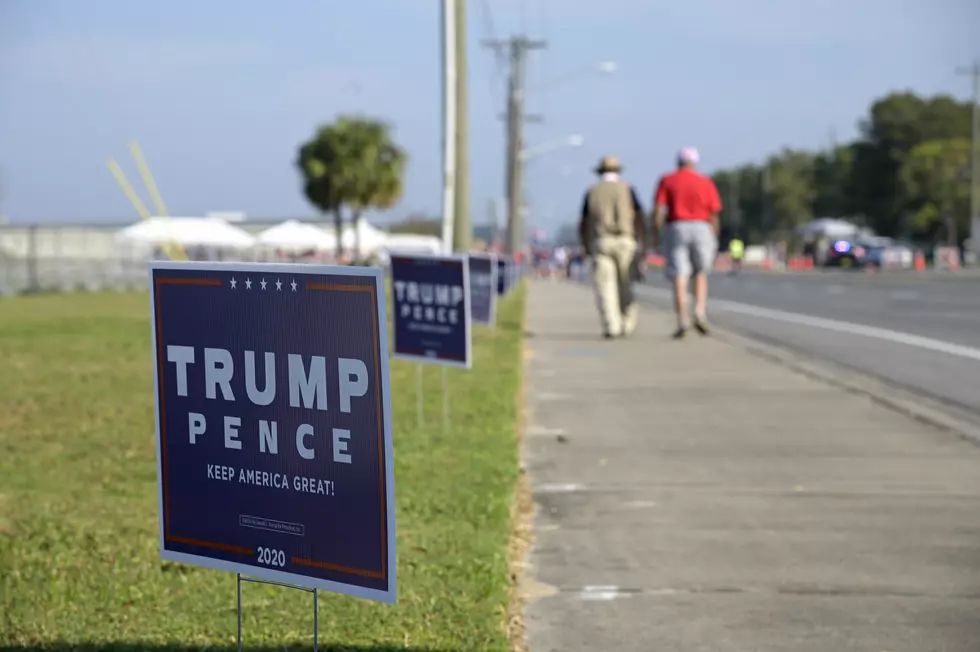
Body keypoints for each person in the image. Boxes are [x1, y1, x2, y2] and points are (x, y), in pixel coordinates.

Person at [651, 147, 722, 339]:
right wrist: (714, 234)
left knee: (679, 275)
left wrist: (657, 232)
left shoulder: (667, 180)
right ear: (695, 163)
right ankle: (699, 311)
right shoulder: (705, 181)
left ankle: (683, 319)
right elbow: (714, 211)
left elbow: (659, 208)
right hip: (702, 226)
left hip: (676, 226)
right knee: (700, 272)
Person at [578, 155, 646, 339]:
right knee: (626, 284)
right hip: (625, 239)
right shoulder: (627, 189)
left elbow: (583, 222)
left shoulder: (592, 191)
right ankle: (627, 322)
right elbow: (639, 216)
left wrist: (584, 244)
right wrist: (642, 240)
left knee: (604, 286)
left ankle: (611, 325)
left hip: (601, 241)